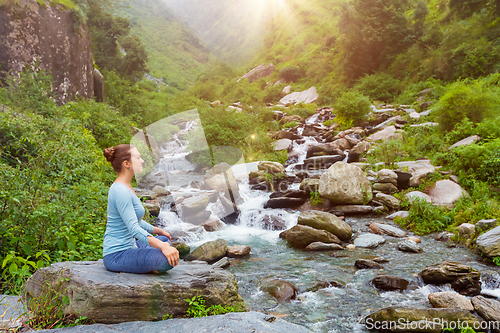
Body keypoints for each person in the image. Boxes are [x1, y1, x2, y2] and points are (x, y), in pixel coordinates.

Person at [102, 144, 179, 273]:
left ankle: (146, 263)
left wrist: (159, 231)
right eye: (138, 158)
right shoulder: (121, 190)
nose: (142, 160)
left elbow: (135, 220)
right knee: (166, 259)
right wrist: (162, 247)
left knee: (164, 239)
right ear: (127, 163)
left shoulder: (127, 186)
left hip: (132, 246)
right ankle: (148, 265)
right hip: (117, 255)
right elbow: (134, 229)